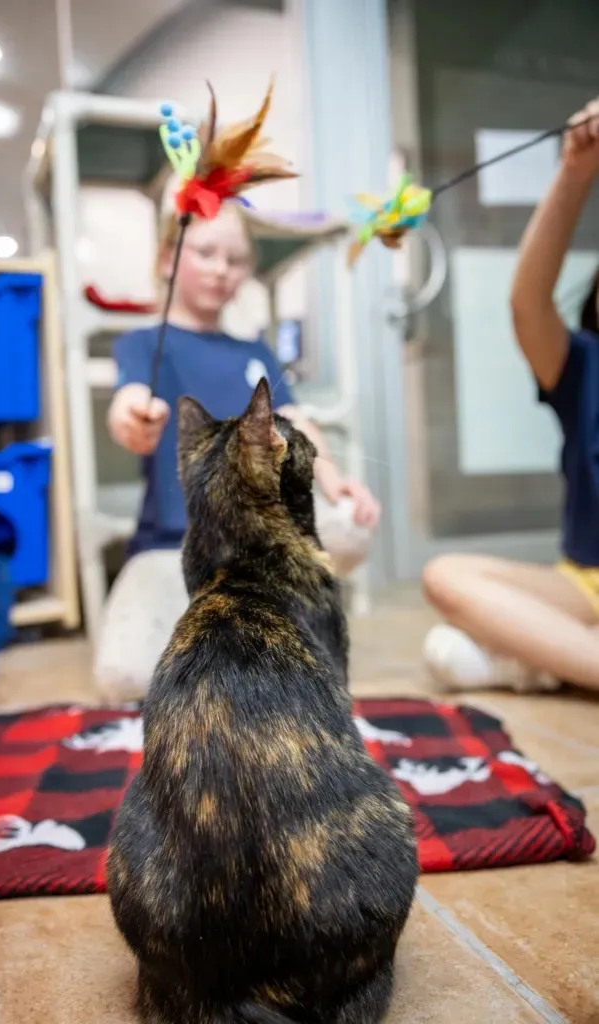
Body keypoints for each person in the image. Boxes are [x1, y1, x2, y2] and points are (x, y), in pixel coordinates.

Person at [94, 204, 381, 701]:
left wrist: (336, 482)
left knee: (351, 526)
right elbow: (128, 401)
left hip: (257, 545)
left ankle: (252, 635)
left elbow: (299, 424)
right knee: (123, 676)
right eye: (205, 252)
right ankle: (242, 643)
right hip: (171, 548)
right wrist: (133, 419)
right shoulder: (142, 344)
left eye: (235, 259)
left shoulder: (256, 352)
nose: (220, 269)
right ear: (168, 259)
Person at [422, 97, 599, 694]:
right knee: (447, 575)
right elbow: (527, 301)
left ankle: (542, 661)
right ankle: (561, 660)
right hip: (585, 585)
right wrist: (574, 171)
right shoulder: (581, 364)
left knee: (454, 650)